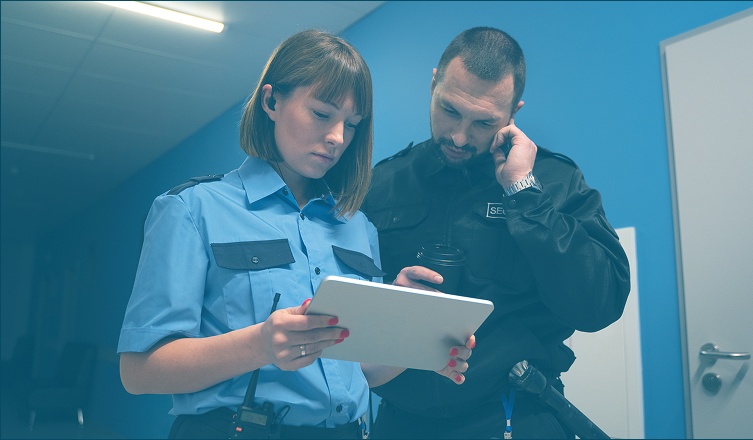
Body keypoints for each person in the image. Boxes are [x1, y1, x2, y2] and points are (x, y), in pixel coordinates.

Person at [117, 29, 472, 439]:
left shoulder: (358, 227)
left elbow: (359, 371)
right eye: (322, 114)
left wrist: (417, 341)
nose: (338, 138)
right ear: (271, 100)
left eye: (351, 125)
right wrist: (262, 344)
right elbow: (138, 371)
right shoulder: (192, 209)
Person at [361, 27, 631, 439]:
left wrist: (524, 192)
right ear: (433, 83)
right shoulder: (383, 182)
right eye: (449, 110)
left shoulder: (553, 180)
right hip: (400, 421)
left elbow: (600, 304)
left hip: (515, 415)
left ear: (513, 113)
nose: (459, 136)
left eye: (483, 122)